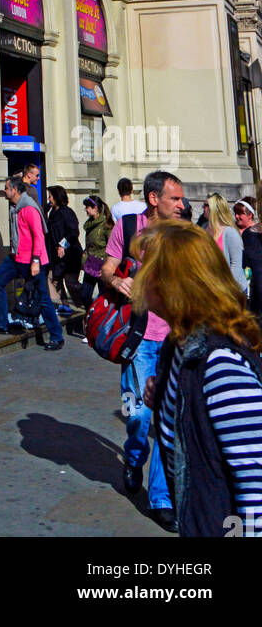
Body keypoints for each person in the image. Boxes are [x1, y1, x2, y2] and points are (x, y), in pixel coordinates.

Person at [137, 220, 262, 538]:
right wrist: (167, 398)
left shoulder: (219, 365)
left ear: (172, 283)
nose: (138, 278)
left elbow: (255, 487)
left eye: (146, 269)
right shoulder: (178, 342)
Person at [101, 169, 186, 533]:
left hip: (176, 337)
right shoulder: (130, 225)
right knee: (139, 416)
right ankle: (134, 457)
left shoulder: (185, 235)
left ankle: (162, 499)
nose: (182, 205)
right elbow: (103, 267)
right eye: (175, 199)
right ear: (154, 199)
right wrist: (116, 278)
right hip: (138, 334)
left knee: (167, 421)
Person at [0, 176, 64, 350]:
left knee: (43, 299)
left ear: (15, 190)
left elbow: (38, 236)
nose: (4, 191)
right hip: (16, 258)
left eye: (6, 188)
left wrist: (35, 261)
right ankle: (1, 324)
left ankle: (57, 337)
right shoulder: (15, 208)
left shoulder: (28, 209)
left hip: (32, 261)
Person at [71, 196, 113, 313]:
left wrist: (108, 266)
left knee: (104, 297)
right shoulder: (90, 224)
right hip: (91, 265)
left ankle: (102, 319)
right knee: (85, 295)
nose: (85, 210)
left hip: (102, 266)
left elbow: (113, 247)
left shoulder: (106, 225)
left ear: (95, 208)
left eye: (88, 207)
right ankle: (92, 316)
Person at [45, 186, 81, 312]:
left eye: (50, 196)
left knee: (70, 282)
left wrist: (62, 245)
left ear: (56, 197)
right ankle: (65, 304)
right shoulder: (53, 212)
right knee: (57, 279)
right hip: (56, 255)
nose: (49, 198)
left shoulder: (66, 212)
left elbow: (74, 232)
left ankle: (82, 304)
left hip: (70, 255)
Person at [206, 192, 247, 291]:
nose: (203, 208)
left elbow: (236, 264)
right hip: (212, 288)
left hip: (231, 289)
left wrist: (227, 289)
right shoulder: (204, 230)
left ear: (214, 209)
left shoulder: (229, 232)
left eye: (207, 205)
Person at [234, 198, 262, 320]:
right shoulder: (247, 234)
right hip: (254, 288)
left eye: (241, 213)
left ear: (250, 215)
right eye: (236, 213)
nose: (237, 216)